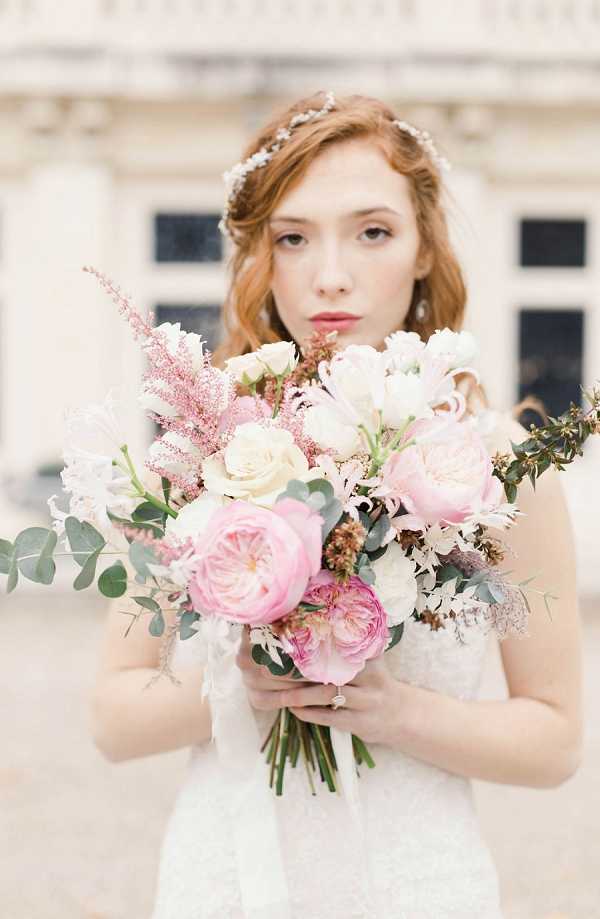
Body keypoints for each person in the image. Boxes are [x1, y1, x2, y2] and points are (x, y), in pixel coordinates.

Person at [91, 91, 583, 918]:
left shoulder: (495, 463)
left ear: (425, 247)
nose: (330, 275)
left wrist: (394, 711)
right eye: (293, 237)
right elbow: (112, 716)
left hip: (419, 883)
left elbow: (557, 737)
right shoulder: (203, 450)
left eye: (373, 232)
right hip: (227, 878)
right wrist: (237, 689)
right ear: (260, 256)